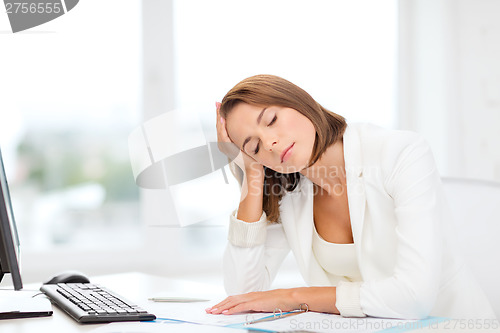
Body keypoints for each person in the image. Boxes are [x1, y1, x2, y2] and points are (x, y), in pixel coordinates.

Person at [205, 74, 496, 320]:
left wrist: (294, 296)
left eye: (271, 119)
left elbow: (413, 298)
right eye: (254, 147)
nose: (269, 142)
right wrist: (253, 176)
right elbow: (242, 295)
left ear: (298, 101)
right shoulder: (290, 195)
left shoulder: (400, 153)